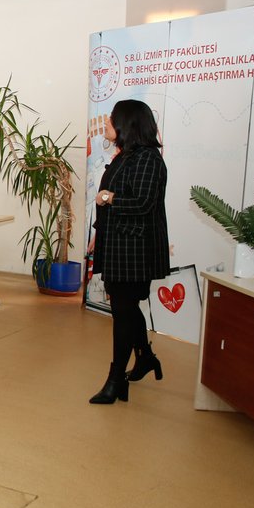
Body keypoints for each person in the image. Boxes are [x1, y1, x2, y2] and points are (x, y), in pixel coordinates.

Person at [88, 99, 170, 405]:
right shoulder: (125, 156)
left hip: (136, 248)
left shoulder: (149, 159)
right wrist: (100, 233)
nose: (107, 125)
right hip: (118, 245)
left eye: (112, 120)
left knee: (123, 311)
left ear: (127, 124)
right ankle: (145, 356)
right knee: (125, 308)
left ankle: (115, 379)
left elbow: (142, 204)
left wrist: (110, 199)